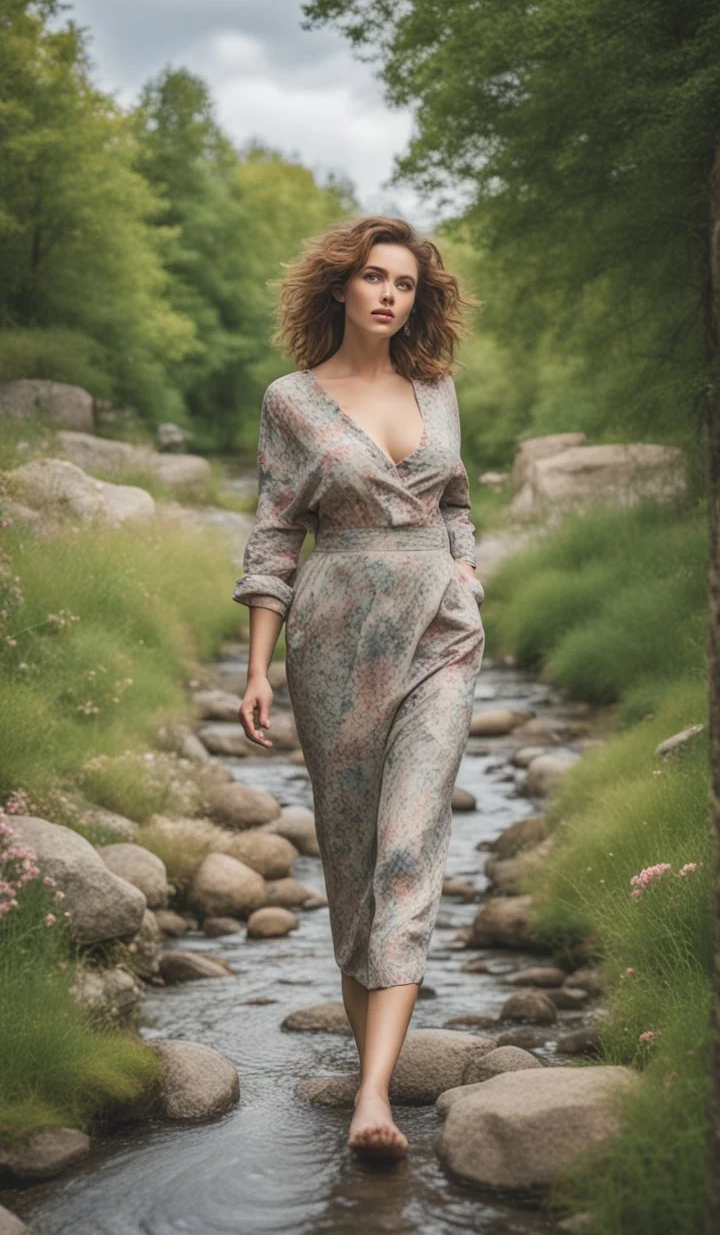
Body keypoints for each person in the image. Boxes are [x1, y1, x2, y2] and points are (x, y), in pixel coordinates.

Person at [233, 215, 485, 1161]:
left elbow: (457, 502)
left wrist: (466, 572)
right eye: (374, 277)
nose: (390, 294)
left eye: (406, 283)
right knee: (351, 867)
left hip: (439, 634)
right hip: (333, 634)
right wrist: (258, 666)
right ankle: (369, 1062)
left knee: (410, 846)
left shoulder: (438, 389)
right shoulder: (292, 400)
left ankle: (373, 1096)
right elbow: (272, 534)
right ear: (339, 287)